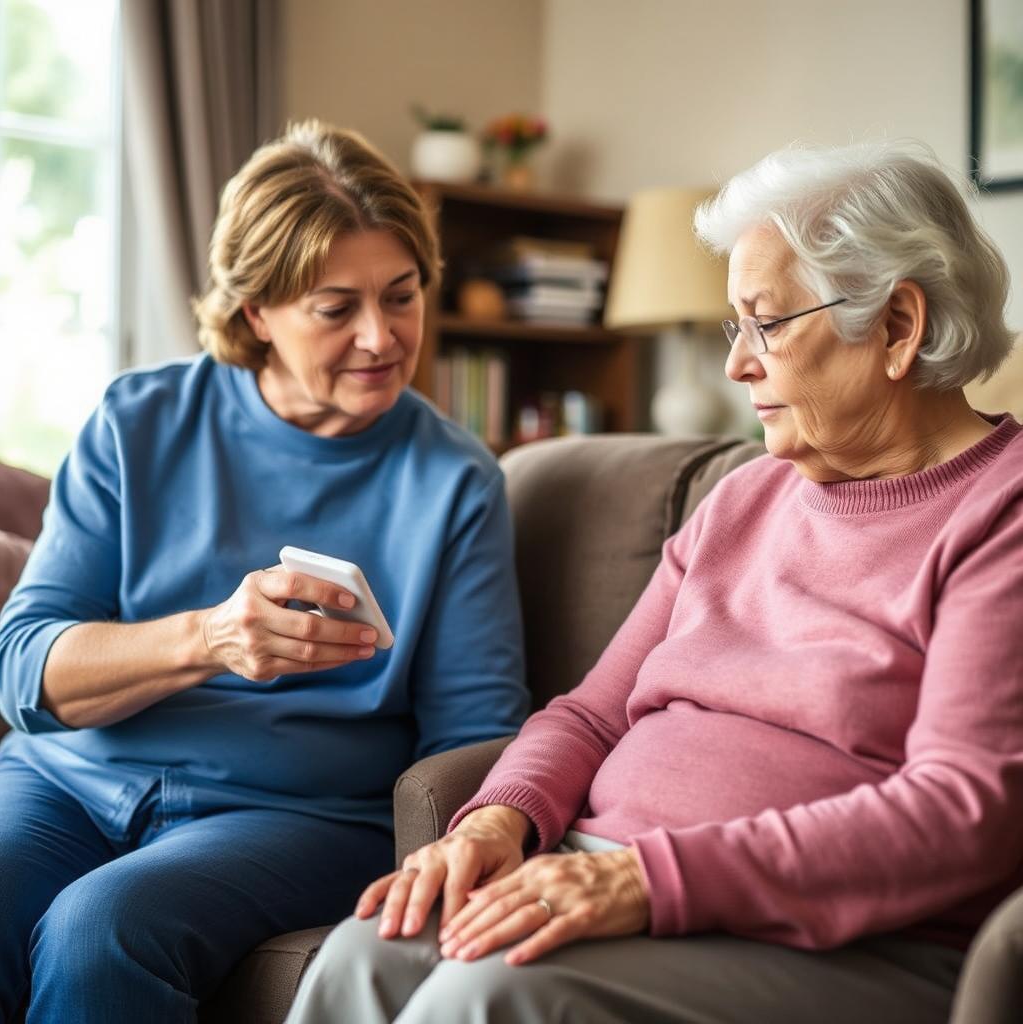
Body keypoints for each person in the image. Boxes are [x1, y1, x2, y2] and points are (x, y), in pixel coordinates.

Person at [284, 140, 1023, 1024]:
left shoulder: (1000, 513)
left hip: (843, 936)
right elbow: (593, 713)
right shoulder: (744, 497)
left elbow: (960, 812)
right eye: (734, 327)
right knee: (362, 958)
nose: (737, 365)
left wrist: (643, 879)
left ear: (898, 326)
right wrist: (496, 820)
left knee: (494, 995)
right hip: (612, 875)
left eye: (768, 323)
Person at [0, 120, 529, 1023]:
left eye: (402, 296)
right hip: (68, 782)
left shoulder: (454, 481)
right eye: (336, 308)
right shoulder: (139, 423)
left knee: (102, 931)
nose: (382, 336)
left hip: (300, 816)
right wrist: (210, 637)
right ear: (257, 314)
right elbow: (24, 670)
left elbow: (474, 732)